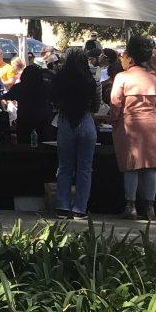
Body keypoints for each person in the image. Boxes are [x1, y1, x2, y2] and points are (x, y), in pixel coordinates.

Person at [108, 35, 156, 220]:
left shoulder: (122, 77)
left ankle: (131, 206)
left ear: (131, 56)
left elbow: (115, 104)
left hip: (129, 125)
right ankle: (150, 207)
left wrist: (113, 119)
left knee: (131, 166)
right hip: (151, 125)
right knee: (151, 166)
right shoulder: (154, 79)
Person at [50, 48, 101, 219]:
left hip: (65, 121)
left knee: (64, 167)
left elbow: (53, 102)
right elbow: (95, 106)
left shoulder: (58, 79)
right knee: (85, 169)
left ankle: (62, 206)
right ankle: (80, 208)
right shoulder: (90, 80)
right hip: (86, 121)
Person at [3, 64, 54, 145]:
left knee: (24, 143)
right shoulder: (46, 86)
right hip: (43, 119)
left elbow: (7, 96)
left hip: (25, 119)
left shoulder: (19, 87)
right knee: (43, 143)